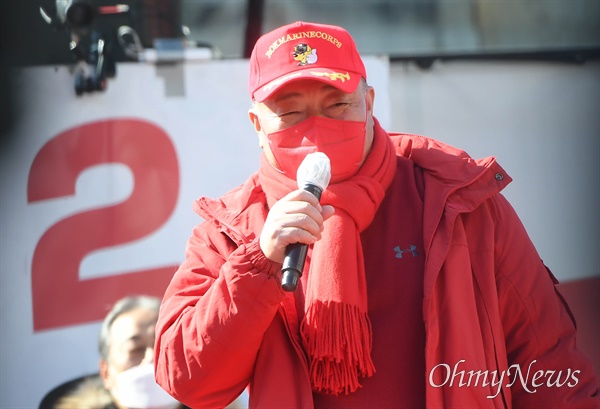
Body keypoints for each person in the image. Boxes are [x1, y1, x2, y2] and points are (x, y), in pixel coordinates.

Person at [153, 21, 599, 408]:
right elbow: (189, 381)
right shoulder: (231, 230)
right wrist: (259, 264)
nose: (317, 129)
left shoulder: (457, 199)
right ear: (256, 125)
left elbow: (548, 363)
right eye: (290, 113)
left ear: (369, 102)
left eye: (337, 106)